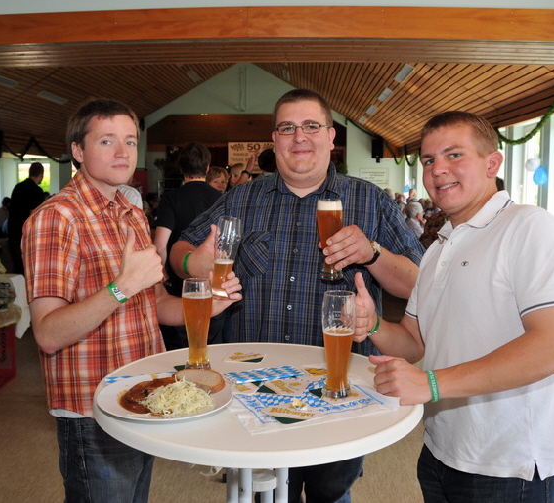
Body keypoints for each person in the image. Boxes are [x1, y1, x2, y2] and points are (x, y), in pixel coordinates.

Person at [170, 89, 423, 503]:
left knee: (331, 495)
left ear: (331, 136)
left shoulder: (370, 200)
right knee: (261, 494)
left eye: (310, 126)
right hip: (254, 391)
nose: (299, 137)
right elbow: (180, 249)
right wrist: (192, 264)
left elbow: (418, 284)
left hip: (339, 393)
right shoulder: (242, 198)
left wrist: (372, 253)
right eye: (287, 128)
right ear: (275, 140)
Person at [352, 111, 554, 503]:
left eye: (454, 155)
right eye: (429, 160)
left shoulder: (530, 227)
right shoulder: (438, 247)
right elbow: (414, 342)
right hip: (441, 450)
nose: (438, 169)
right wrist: (373, 324)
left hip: (508, 465)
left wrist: (431, 383)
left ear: (492, 163)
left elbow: (553, 349)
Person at [21, 99, 241, 503]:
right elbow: (48, 333)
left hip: (141, 395)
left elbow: (154, 303)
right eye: (106, 141)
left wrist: (208, 304)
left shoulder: (131, 214)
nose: (122, 152)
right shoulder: (56, 218)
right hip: (91, 408)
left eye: (130, 141)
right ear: (77, 150)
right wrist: (120, 286)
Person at [154, 142, 223, 350]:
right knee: (212, 348)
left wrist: (160, 275)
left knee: (179, 352)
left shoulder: (171, 198)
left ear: (181, 168)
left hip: (178, 288)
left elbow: (160, 244)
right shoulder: (221, 199)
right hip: (213, 285)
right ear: (208, 168)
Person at [7, 162, 45, 274]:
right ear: (41, 175)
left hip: (14, 230)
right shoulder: (37, 191)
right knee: (29, 267)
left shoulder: (18, 187)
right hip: (27, 233)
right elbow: (34, 214)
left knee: (17, 266)